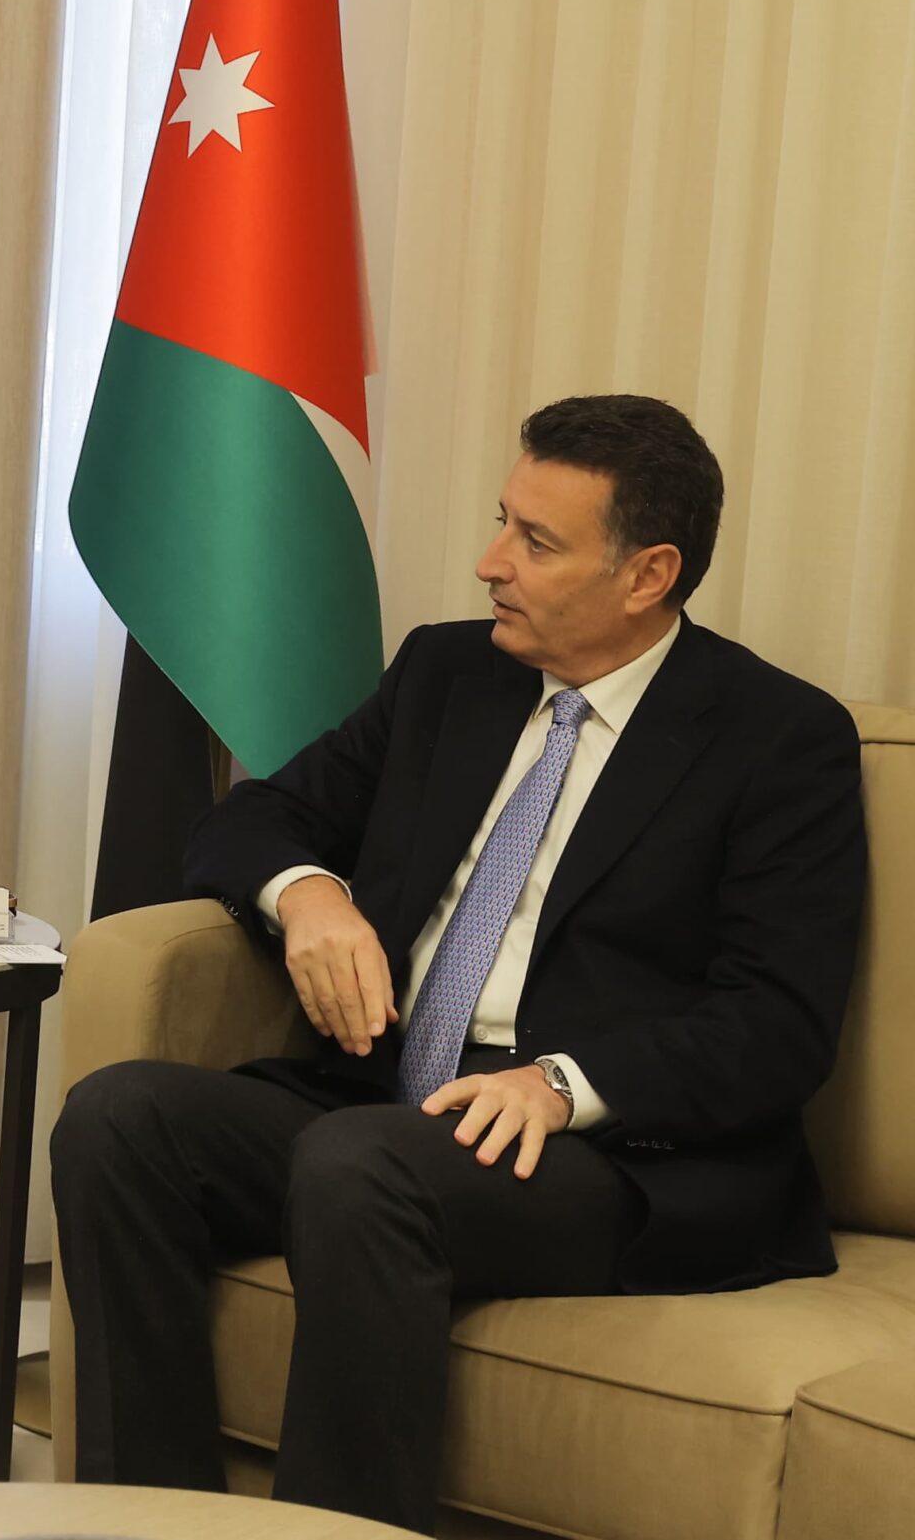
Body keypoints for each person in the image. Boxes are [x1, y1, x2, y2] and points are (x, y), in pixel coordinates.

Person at [51, 394, 867, 1534]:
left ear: (648, 574)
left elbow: (777, 1022)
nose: (491, 562)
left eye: (536, 541)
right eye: (501, 521)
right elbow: (249, 822)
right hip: (385, 1095)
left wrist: (560, 1084)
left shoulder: (777, 738)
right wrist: (310, 896)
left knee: (359, 1162)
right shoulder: (446, 674)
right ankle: (153, 1520)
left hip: (595, 1148)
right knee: (117, 1118)